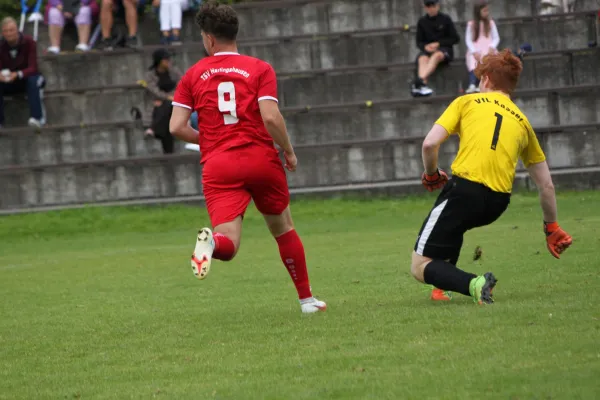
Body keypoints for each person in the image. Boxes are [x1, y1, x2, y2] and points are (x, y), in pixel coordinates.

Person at [169, 1, 326, 314]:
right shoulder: (259, 68)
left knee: (228, 244)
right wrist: (289, 151)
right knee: (283, 229)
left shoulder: (193, 75)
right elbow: (270, 117)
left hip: (219, 165)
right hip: (260, 159)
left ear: (209, 39)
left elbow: (176, 127)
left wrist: (210, 142)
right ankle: (307, 300)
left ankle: (211, 243)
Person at [412, 49, 573, 304]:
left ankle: (474, 283)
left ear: (485, 79)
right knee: (456, 223)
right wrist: (550, 227)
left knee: (419, 265)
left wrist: (431, 174)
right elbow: (547, 185)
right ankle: (442, 288)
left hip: (466, 189)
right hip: (497, 203)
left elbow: (429, 145)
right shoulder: (522, 121)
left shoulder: (467, 102)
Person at [0, 17, 45, 129]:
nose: (9, 33)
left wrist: (18, 74)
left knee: (33, 80)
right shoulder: (1, 45)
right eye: (6, 31)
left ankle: (37, 118)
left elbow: (33, 68)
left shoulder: (29, 42)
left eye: (12, 30)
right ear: (2, 33)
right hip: (9, 81)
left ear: (17, 30)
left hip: (28, 78)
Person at [412, 0, 460, 97]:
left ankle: (419, 81)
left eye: (433, 6)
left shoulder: (445, 19)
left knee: (436, 56)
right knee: (422, 59)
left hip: (444, 50)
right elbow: (419, 42)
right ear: (425, 8)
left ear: (438, 6)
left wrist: (438, 44)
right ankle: (422, 85)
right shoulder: (422, 22)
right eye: (428, 6)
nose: (431, 9)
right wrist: (426, 47)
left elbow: (455, 38)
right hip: (428, 51)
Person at [143, 48, 182, 153]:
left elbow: (182, 85)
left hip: (173, 103)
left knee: (168, 104)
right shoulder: (149, 75)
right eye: (166, 60)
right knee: (167, 107)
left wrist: (169, 97)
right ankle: (169, 152)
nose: (169, 62)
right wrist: (166, 98)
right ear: (159, 61)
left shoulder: (174, 72)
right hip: (156, 105)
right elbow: (153, 91)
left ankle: (152, 128)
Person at [465, 0, 500, 93]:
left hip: (488, 48)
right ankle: (472, 83)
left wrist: (492, 47)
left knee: (489, 60)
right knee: (474, 62)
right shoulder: (471, 24)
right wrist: (473, 51)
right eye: (484, 11)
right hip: (476, 49)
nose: (486, 13)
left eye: (487, 11)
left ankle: (487, 84)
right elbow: (468, 40)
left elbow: (496, 37)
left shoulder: (490, 23)